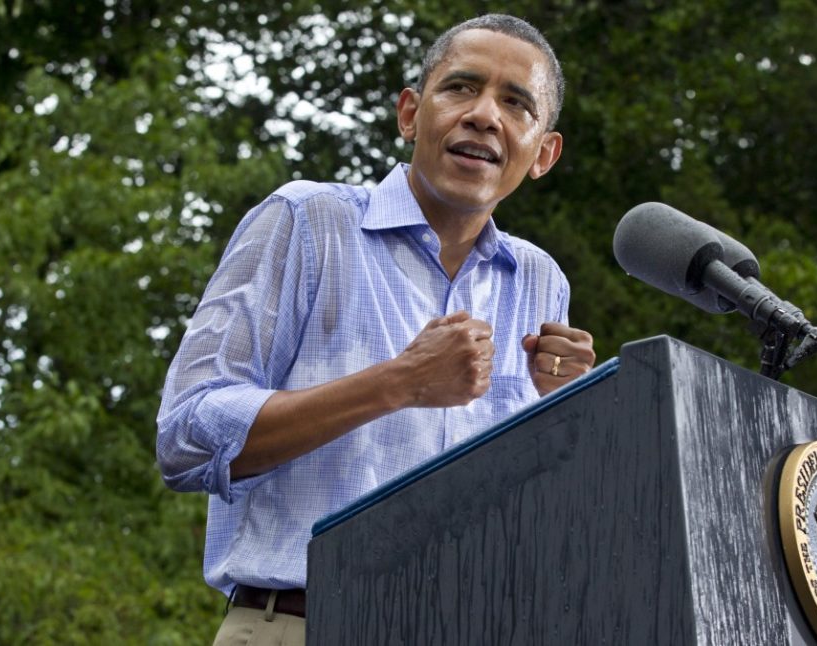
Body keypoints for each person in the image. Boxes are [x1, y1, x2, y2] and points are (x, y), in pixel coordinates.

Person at [156, 13, 595, 645]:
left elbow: (537, 510)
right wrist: (398, 382)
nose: (483, 115)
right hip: (299, 624)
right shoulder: (306, 221)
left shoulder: (540, 280)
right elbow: (187, 435)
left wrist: (568, 416)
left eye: (515, 102)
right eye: (461, 88)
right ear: (411, 113)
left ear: (543, 153)